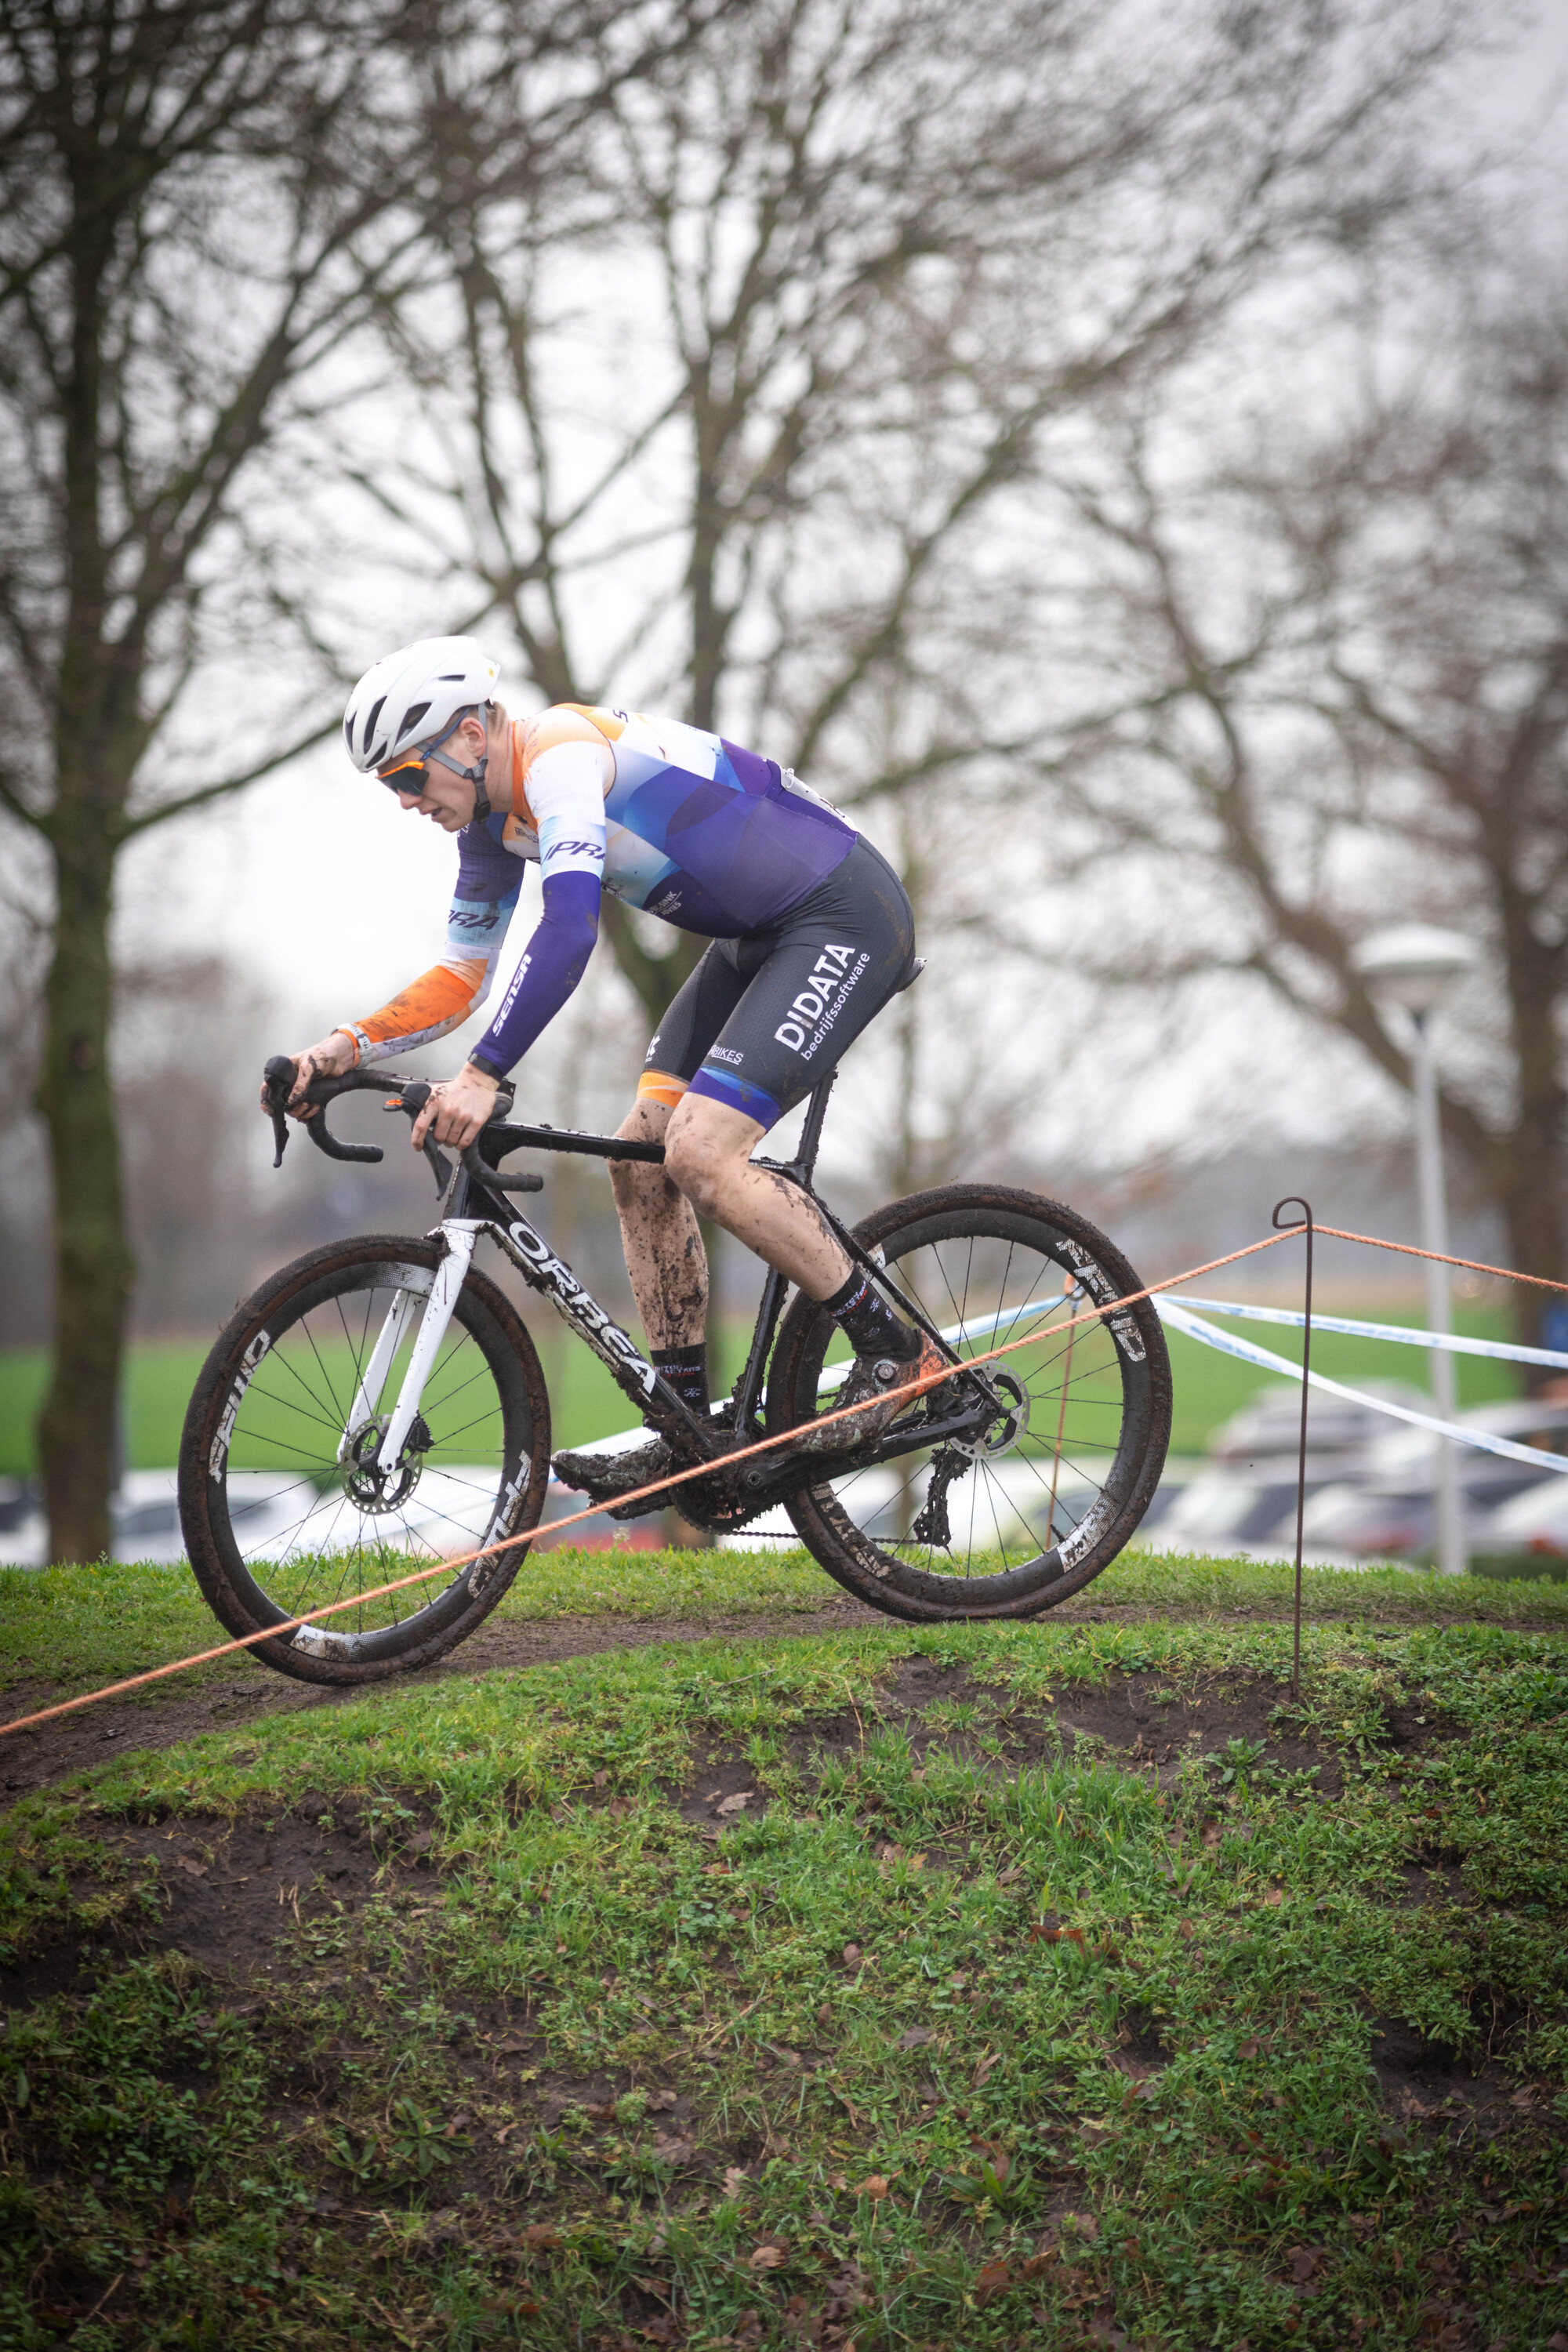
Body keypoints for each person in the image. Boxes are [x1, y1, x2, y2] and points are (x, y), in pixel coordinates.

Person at [278, 635, 942, 1495]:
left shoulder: (558, 756)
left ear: (473, 737)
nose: (406, 801)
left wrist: (481, 1075)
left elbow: (568, 930)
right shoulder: (489, 827)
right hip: (753, 940)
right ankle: (686, 1423)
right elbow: (461, 974)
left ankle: (896, 1351)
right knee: (641, 1168)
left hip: (838, 916)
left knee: (701, 1152)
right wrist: (343, 1046)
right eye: (390, 788)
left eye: (408, 777)